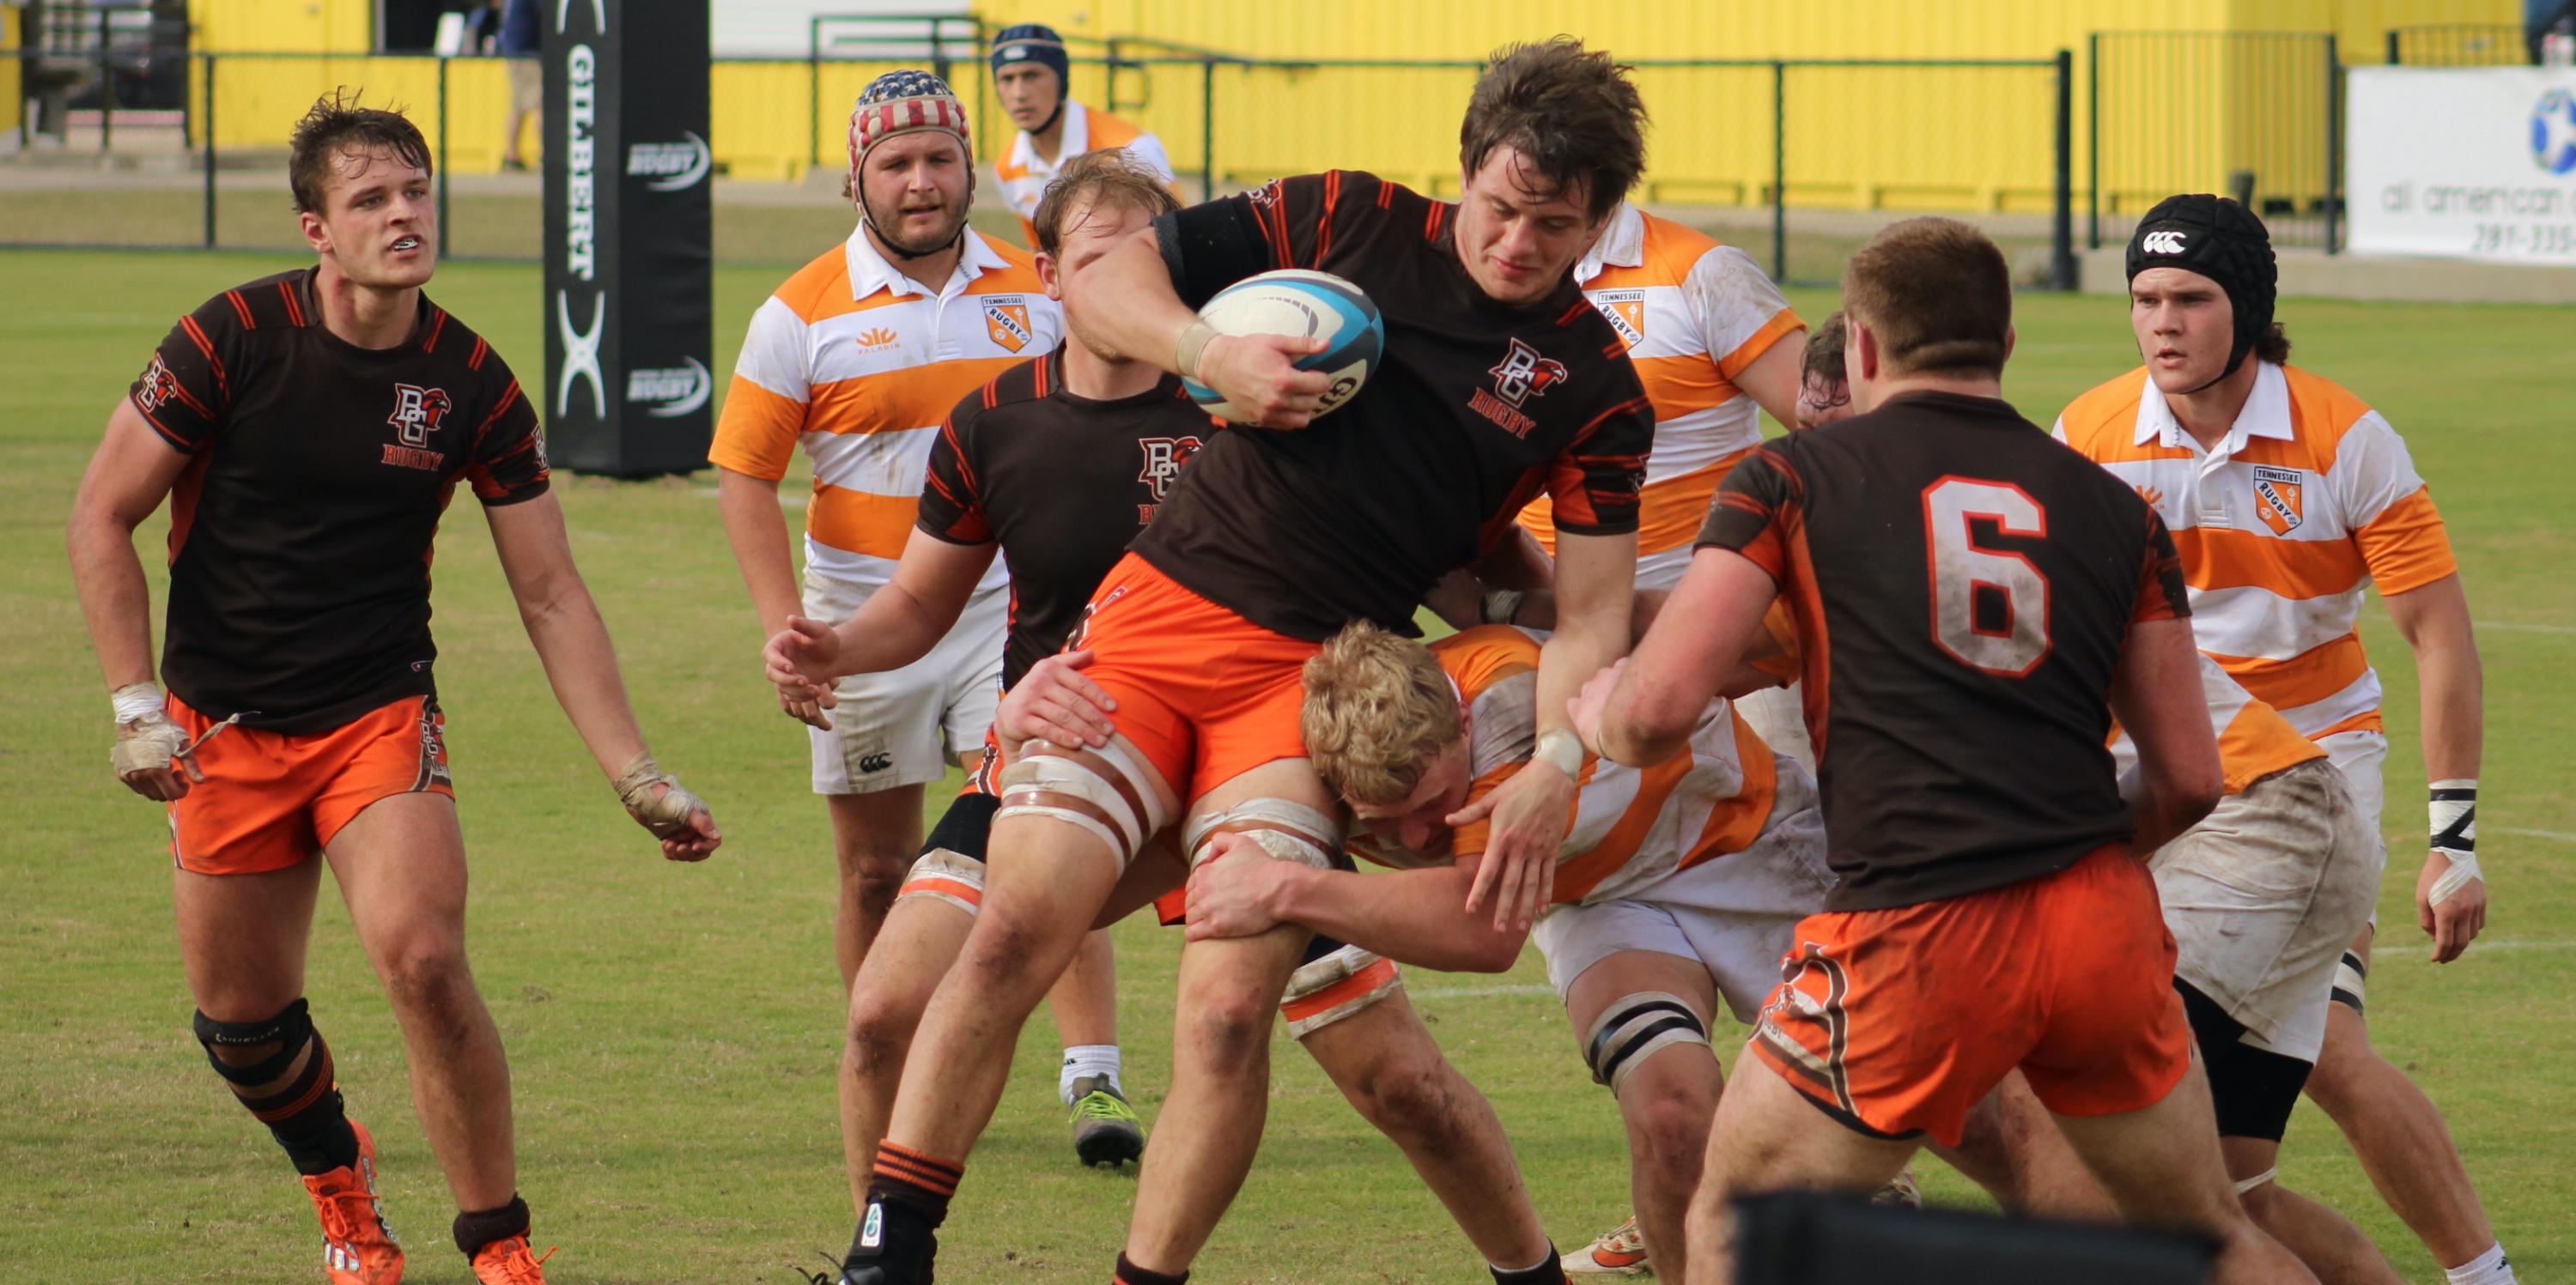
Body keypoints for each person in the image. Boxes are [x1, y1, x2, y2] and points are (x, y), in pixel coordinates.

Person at [841, 38, 1657, 1285]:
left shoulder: (1594, 386)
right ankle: (890, 1253)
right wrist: (1208, 353)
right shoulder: (1347, 217)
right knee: (1020, 925)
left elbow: (1593, 619)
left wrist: (1557, 757)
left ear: (1600, 217)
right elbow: (1112, 276)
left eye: (1555, 225)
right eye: (1501, 210)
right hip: (1156, 627)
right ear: (1464, 175)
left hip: (1312, 691)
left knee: (1228, 1015)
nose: (1518, 244)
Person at [1573, 216, 2312, 1282]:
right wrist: (2079, 854)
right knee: (2210, 1235)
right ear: (2006, 343)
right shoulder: (2118, 511)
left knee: (1734, 1216)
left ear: (1861, 350)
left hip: (1917, 924)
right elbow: (2194, 777)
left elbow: (1655, 713)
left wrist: (1597, 709)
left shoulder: (1788, 479)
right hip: (2098, 918)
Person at [64, 94, 718, 1285]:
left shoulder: (472, 379)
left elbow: (553, 595)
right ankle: (339, 1177)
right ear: (318, 228)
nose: (402, 213)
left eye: (416, 190)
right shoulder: (229, 337)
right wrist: (133, 706)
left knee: (420, 955)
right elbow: (103, 515)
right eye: (370, 198)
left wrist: (637, 771)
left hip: (377, 714)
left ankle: (500, 1246)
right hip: (220, 726)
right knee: (243, 1026)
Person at [2056, 196, 2512, 1285]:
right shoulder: (2090, 436)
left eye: (2191, 300)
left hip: (2315, 784)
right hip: (2167, 778)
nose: (2162, 323)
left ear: (2249, 309)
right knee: (2233, 1185)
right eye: (2145, 300)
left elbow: (2437, 635)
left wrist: (2456, 839)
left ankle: (2485, 1277)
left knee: (2332, 1058)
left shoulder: (2344, 439)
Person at [708, 73, 1141, 1185]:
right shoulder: (797, 311)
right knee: (873, 872)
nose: (919, 179)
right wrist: (787, 626)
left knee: (1048, 831)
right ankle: (890, 1074)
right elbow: (746, 480)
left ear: (968, 167)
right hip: (863, 620)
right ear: (857, 175)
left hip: (1014, 609)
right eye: (895, 162)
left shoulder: (1038, 287)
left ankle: (1093, 1071)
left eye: (939, 157)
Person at [1187, 621, 1834, 1282]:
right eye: (1382, 824)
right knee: (1672, 1118)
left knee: (1917, 1080)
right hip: (1597, 904)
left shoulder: (1512, 698)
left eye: (1436, 802)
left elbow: (1486, 931)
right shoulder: (1308, 764)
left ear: (1461, 726)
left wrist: (1286, 886)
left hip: (1742, 841)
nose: (1419, 835)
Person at [989, 23, 1180, 248]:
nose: (1019, 93)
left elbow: (1180, 235)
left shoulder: (1131, 149)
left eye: (1032, 75)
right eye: (1007, 79)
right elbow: (1042, 252)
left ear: (1062, 82)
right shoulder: (1007, 169)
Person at [496, 0, 540, 171]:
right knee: (541, 104)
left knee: (518, 106)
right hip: (526, 54)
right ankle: (545, 155)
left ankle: (511, 154)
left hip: (514, 51)